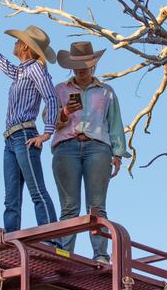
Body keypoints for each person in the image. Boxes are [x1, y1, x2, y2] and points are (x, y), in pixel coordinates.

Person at [0, 22, 60, 235]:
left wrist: (47, 132)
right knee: (11, 197)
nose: (16, 43)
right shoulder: (20, 71)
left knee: (36, 190)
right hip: (10, 138)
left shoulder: (36, 69)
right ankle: (10, 239)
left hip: (25, 135)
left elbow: (51, 97)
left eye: (18, 41)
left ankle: (52, 238)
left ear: (26, 47)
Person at [51, 41, 131, 264]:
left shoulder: (106, 92)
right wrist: (66, 112)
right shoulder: (60, 89)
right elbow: (50, 122)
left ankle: (101, 255)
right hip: (66, 147)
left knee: (97, 206)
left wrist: (117, 154)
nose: (80, 69)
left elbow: (115, 124)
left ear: (92, 65)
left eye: (84, 65)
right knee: (69, 207)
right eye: (76, 65)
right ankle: (65, 254)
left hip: (98, 147)